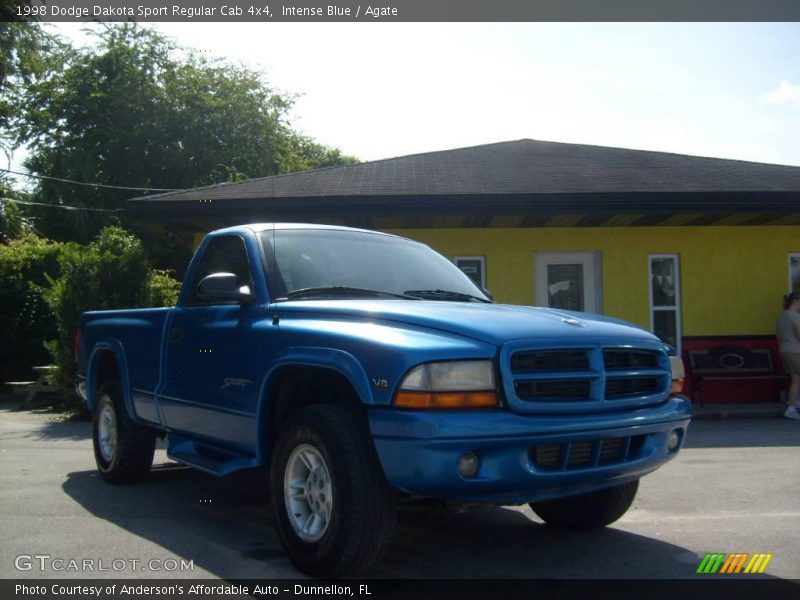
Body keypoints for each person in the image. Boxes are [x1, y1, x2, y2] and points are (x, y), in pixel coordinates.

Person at [777, 291, 800, 420]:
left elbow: (778, 336)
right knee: (796, 380)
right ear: (796, 301)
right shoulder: (795, 316)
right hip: (795, 351)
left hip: (785, 350)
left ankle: (794, 403)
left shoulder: (782, 316)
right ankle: (791, 407)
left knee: (795, 378)